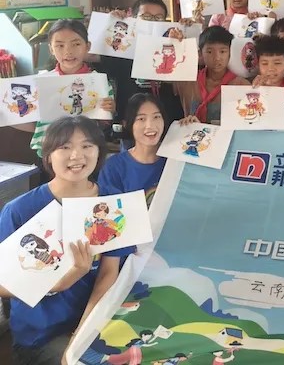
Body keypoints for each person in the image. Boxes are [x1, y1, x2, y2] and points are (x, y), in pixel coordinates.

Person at [0, 117, 128, 364]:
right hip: (41, 335)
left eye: (87, 145)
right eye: (65, 147)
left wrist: (81, 335)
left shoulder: (112, 204)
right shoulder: (19, 210)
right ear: (48, 155)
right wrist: (58, 283)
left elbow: (108, 272)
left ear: (99, 152)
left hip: (95, 323)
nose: (77, 155)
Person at [22, 19, 115, 156]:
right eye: (60, 45)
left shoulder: (99, 82)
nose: (68, 51)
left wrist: (109, 110)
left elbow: (104, 122)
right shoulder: (41, 82)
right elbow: (31, 122)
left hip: (85, 153)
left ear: (87, 46)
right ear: (51, 49)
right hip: (50, 151)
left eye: (76, 44)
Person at [95, 0, 187, 135]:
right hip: (130, 124)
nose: (152, 22)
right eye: (146, 17)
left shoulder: (172, 46)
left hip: (168, 123)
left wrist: (187, 34)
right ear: (133, 18)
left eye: (158, 18)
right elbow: (92, 55)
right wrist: (109, 23)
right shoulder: (122, 50)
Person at [99, 94, 167, 204]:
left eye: (156, 117)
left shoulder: (175, 160)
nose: (150, 126)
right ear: (127, 124)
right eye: (141, 119)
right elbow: (110, 209)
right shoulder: (113, 167)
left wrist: (192, 128)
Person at [177, 26, 249, 125]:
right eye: (209, 52)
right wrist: (176, 43)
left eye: (222, 51)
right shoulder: (189, 81)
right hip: (190, 133)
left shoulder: (241, 85)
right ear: (200, 54)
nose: (217, 58)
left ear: (230, 53)